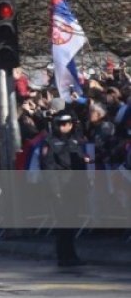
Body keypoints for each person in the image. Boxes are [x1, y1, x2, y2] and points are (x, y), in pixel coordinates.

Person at [40, 112, 88, 267]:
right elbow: (48, 167)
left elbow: (80, 163)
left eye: (65, 124)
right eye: (59, 124)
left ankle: (71, 254)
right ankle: (63, 255)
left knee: (72, 222)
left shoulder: (75, 140)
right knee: (63, 223)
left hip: (73, 186)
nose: (62, 127)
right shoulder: (50, 142)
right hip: (60, 187)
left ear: (70, 125)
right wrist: (56, 190)